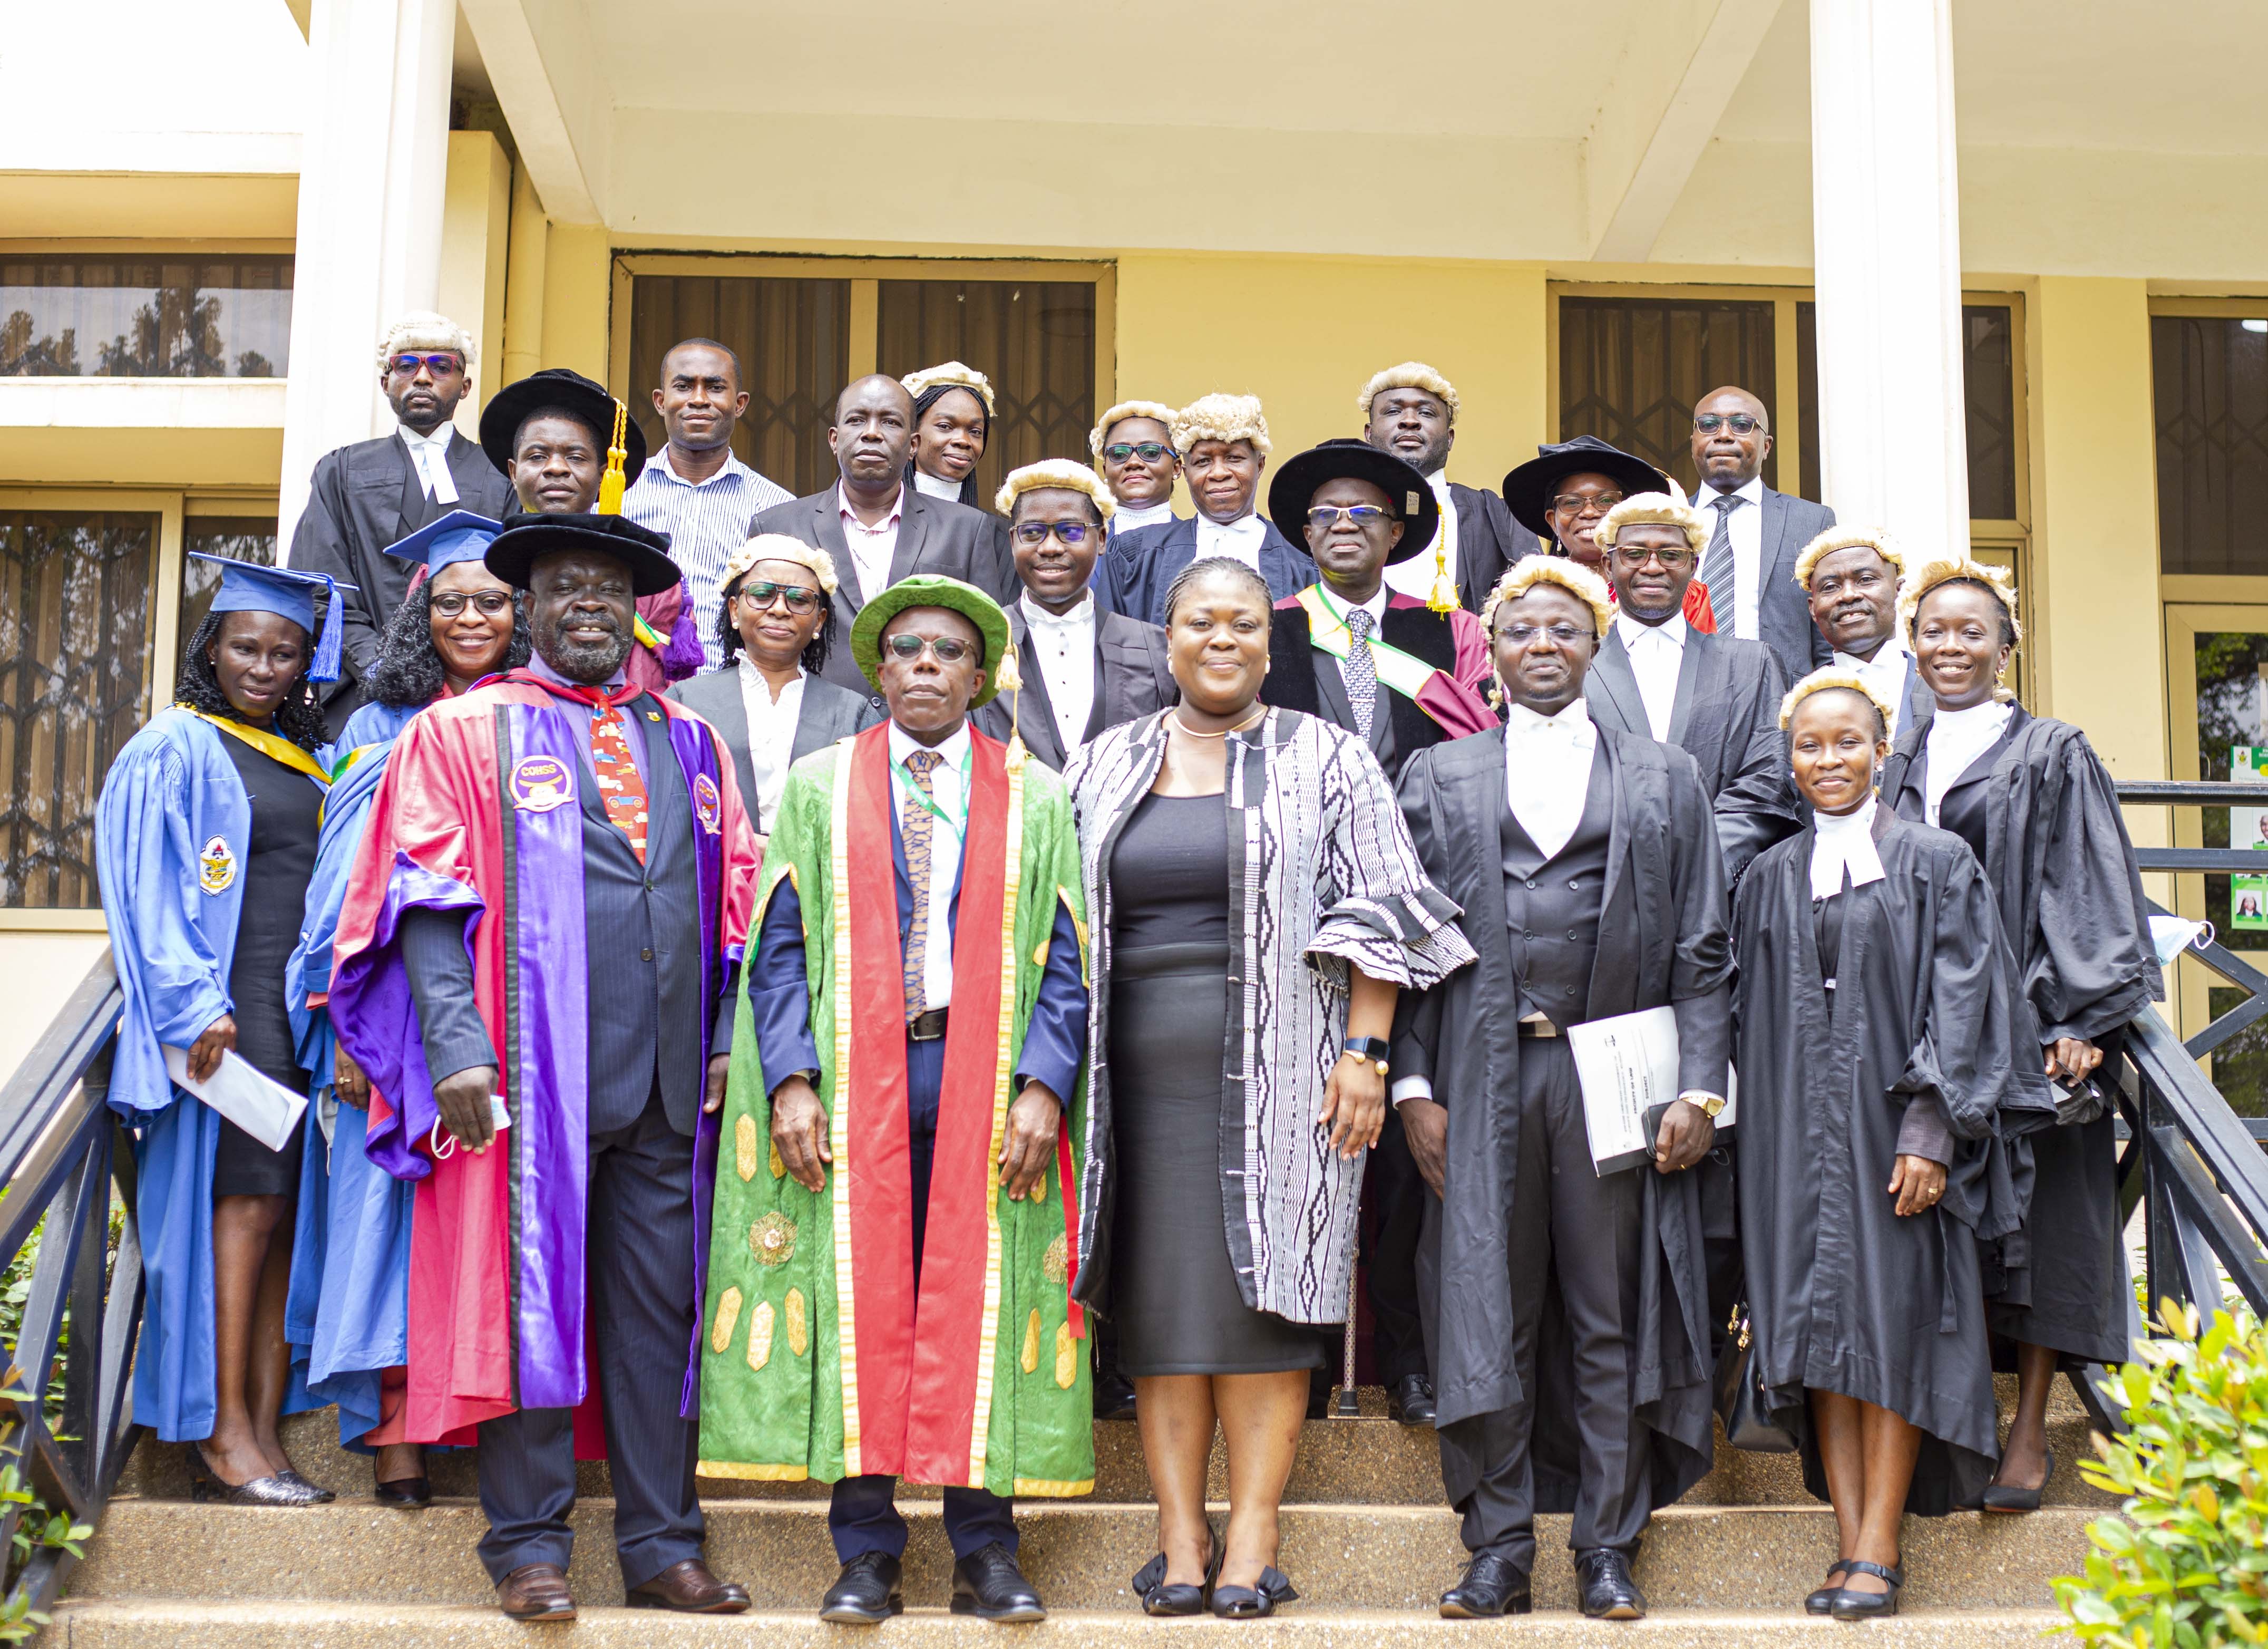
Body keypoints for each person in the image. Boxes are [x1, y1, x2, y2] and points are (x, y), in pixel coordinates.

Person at [329, 511, 761, 1621]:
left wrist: (721, 1045)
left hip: (670, 1085)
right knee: (529, 1304)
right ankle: (529, 1547)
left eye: (608, 590)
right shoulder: (464, 732)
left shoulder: (690, 739)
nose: (587, 605)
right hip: (532, 1077)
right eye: (564, 586)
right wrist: (459, 1047)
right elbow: (423, 897)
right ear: (527, 605)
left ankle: (664, 1544)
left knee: (658, 1317)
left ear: (635, 610)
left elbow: (732, 912)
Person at [1065, 557, 1474, 1620]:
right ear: (1167, 636)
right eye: (1200, 621)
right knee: (1160, 1312)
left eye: (1243, 623)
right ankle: (1177, 1535)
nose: (1222, 639)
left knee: (1264, 1302)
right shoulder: (1105, 763)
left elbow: (1384, 905)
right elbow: (1053, 918)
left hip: (1296, 1071)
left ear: (1268, 638)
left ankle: (1252, 1529)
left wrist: (1367, 1052)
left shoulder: (1328, 756)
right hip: (1131, 1080)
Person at [698, 576, 1091, 1626]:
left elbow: (1068, 958)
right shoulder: (824, 786)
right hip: (853, 1074)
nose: (924, 664)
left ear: (979, 674)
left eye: (947, 651)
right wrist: (788, 1076)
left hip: (985, 1074)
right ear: (878, 669)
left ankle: (984, 1548)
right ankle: (866, 1548)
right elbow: (776, 949)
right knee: (858, 1296)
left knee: (987, 1295)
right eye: (907, 648)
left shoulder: (1036, 792)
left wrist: (1045, 1084)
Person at [1393, 556, 1730, 1624]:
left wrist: (1699, 1088)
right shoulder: (1441, 776)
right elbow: (1397, 940)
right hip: (1479, 1069)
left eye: (1565, 631)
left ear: (1596, 648)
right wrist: (1409, 1082)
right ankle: (1496, 1545)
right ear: (1490, 654)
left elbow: (1703, 945)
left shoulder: (1663, 773)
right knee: (1490, 1305)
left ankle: (1605, 1543)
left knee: (1607, 1310)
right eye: (1522, 632)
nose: (1543, 646)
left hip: (1616, 1076)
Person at [1734, 670, 2051, 1621]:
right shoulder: (1765, 875)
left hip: (1894, 1137)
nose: (1827, 760)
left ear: (1882, 752)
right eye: (1808, 745)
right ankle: (1845, 1539)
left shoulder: (1935, 858)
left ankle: (1880, 1543)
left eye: (1847, 742)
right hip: (1789, 1140)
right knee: (1816, 1339)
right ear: (1789, 759)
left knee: (1894, 1324)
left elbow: (1965, 999)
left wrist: (1930, 1129)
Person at [1875, 557, 2161, 1516]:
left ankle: (2031, 1426)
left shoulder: (2049, 748)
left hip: (2031, 1029)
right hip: (1926, 1025)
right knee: (1942, 1222)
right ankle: (1947, 1420)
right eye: (1933, 631)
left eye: (1970, 632)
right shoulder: (1895, 756)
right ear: (1909, 645)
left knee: (2047, 1223)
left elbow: (2089, 879)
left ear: (2006, 646)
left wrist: (2083, 1016)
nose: (1950, 647)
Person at [97, 555, 355, 1506]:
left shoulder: (309, 756)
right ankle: (221, 1433)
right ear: (212, 646)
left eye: (285, 651)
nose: (265, 665)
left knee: (280, 1209)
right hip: (224, 1019)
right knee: (239, 1209)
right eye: (246, 645)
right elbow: (144, 884)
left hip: (289, 1016)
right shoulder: (176, 744)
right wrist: (188, 999)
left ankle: (262, 1417)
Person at [284, 510, 526, 1508]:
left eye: (493, 601)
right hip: (394, 1009)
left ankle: (484, 1417)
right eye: (450, 601)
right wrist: (341, 1022)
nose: (472, 617)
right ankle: (395, 1440)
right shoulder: (378, 727)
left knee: (495, 1224)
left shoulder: (536, 711)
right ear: (418, 613)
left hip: (512, 1002)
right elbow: (341, 882)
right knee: (391, 1221)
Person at [1255, 439, 1494, 1428]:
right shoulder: (1266, 629)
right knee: (1296, 1130)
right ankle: (1299, 1361)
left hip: (1420, 901)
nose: (1343, 526)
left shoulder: (1448, 632)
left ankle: (1406, 1357)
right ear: (1303, 535)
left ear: (1396, 532)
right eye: (1325, 516)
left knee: (1405, 1141)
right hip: (1296, 909)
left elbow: (1480, 747)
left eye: (1363, 514)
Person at [289, 312, 512, 730]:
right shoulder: (341, 471)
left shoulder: (500, 474)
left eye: (441, 366)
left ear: (464, 386)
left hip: (476, 693)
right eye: (406, 365)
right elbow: (322, 586)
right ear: (385, 382)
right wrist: (382, 668)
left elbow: (513, 590)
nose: (423, 378)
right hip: (364, 694)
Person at [750, 374, 1018, 697]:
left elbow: (989, 651)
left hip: (927, 727)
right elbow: (756, 646)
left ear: (913, 445)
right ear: (834, 439)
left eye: (890, 422)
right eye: (857, 420)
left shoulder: (966, 529)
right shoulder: (778, 526)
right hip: (813, 731)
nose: (872, 433)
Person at [1581, 493, 1797, 889]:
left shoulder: (1751, 664)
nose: (1652, 567)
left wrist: (1700, 866)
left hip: (1720, 898)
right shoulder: (1576, 667)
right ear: (1607, 565)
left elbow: (1767, 779)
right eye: (1633, 554)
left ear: (1693, 566)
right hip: (1603, 891)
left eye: (1670, 555)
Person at [479, 365, 704, 694]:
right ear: (514, 472)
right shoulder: (467, 564)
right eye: (538, 456)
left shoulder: (645, 573)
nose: (556, 468)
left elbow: (647, 690)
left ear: (603, 475)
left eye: (576, 457)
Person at [666, 535, 881, 848]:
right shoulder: (685, 703)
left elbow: (872, 819)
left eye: (800, 599)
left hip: (816, 888)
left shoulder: (853, 712)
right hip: (713, 884)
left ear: (819, 620)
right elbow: (668, 810)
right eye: (763, 594)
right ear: (734, 611)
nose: (780, 609)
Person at [972, 460, 1175, 772]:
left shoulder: (1155, 649)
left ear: (1103, 539)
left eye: (1070, 531)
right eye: (1032, 532)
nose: (1050, 547)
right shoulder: (978, 643)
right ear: (1013, 542)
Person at [624, 338, 795, 668]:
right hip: (633, 696)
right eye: (684, 386)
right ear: (660, 401)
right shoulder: (615, 497)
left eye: (715, 387)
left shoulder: (778, 509)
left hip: (734, 699)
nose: (699, 399)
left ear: (740, 403)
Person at [1097, 394, 1314, 628]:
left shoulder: (1301, 559)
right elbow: (1111, 647)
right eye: (1203, 462)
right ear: (1185, 469)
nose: (1219, 473)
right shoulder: (1135, 554)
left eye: (1234, 458)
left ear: (1259, 466)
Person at [1357, 363, 1536, 613]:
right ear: (1369, 433)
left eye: (1427, 413)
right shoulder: (1336, 515)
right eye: (1394, 411)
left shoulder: (1497, 516)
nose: (1409, 421)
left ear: (1450, 438)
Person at [1689, 386, 1836, 682]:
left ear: (1767, 446)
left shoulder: (1811, 521)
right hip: (1687, 697)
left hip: (1783, 699)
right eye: (1709, 424)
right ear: (1693, 441)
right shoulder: (1667, 520)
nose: (1724, 435)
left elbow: (1828, 635)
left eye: (1742, 425)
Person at [1500, 436, 1716, 627]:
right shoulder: (1526, 595)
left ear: (1625, 513)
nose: (1589, 512)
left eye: (1606, 501)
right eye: (1572, 503)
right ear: (1553, 521)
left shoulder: (1680, 593)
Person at [1798, 527, 1930, 741]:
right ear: (1813, 609)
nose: (1849, 595)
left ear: (1898, 590)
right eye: (1831, 587)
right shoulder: (1799, 703)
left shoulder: (1941, 687)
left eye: (1866, 580)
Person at [902, 361, 998, 508]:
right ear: (913, 437)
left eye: (975, 432)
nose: (963, 441)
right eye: (945, 426)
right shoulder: (888, 524)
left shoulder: (994, 530)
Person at [1090, 400, 1183, 539]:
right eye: (1119, 454)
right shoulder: (1087, 543)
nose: (1133, 462)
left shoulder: (1198, 542)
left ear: (1176, 468)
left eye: (1151, 452)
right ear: (1105, 470)